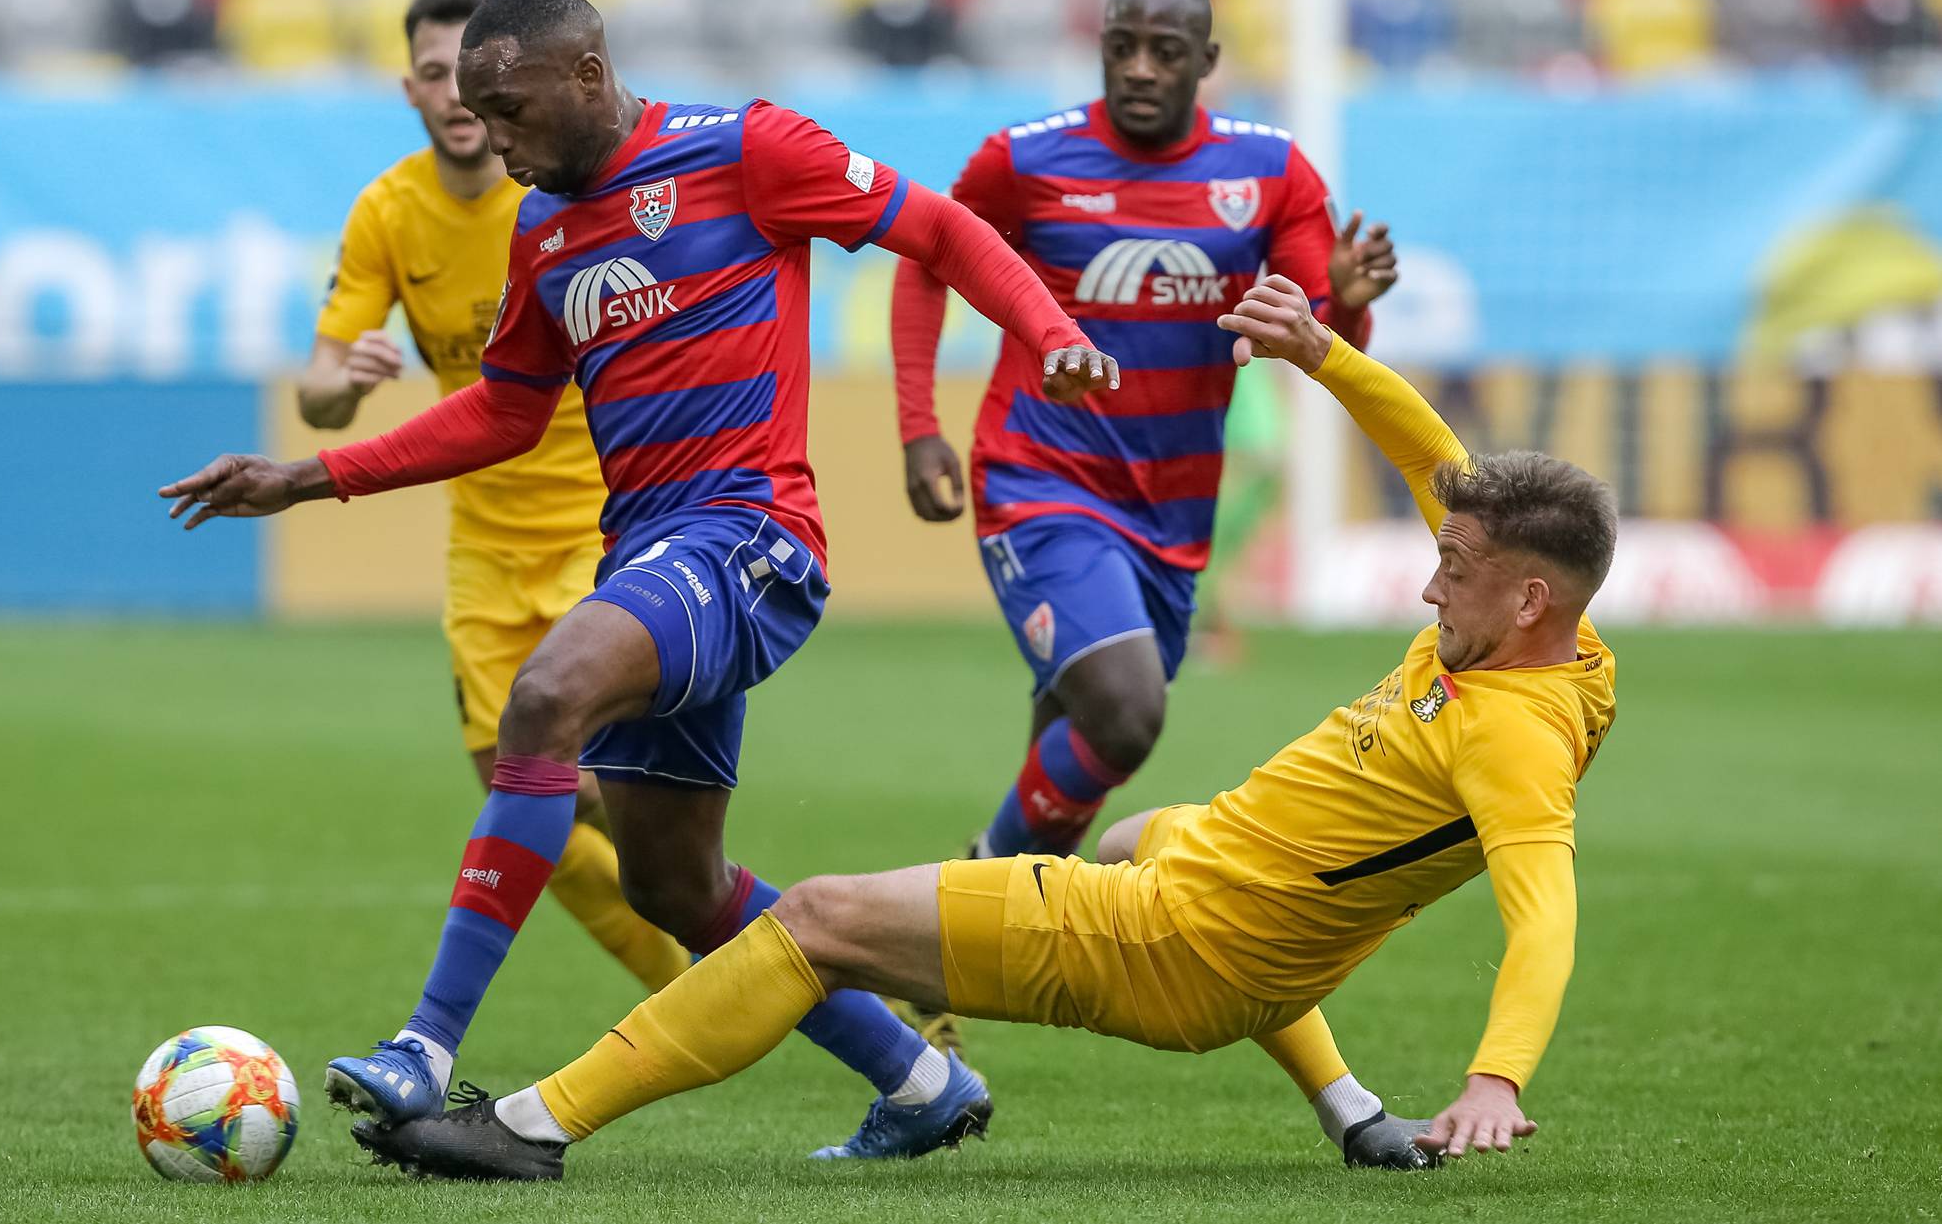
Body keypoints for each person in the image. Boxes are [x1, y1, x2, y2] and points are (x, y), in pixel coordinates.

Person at [344, 274, 1617, 1183]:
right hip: (1232, 902)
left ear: (1527, 597)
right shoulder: (1543, 632)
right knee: (1133, 827)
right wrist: (1324, 353)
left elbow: (1546, 912)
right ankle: (1352, 1110)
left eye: (1454, 569)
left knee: (815, 919)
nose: (1428, 584)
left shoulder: (1516, 734)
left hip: (1171, 940)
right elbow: (1437, 456)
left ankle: (532, 1124)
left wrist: (1496, 1075)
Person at [159, 0, 1120, 1160]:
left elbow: (939, 228)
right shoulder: (543, 231)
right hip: (656, 553)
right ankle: (918, 1077)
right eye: (479, 116)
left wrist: (1053, 332)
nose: (495, 142)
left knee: (546, 695)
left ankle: (424, 1047)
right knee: (675, 884)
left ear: (587, 74)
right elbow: (505, 412)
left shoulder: (748, 150)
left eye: (510, 111)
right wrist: (308, 477)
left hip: (751, 536)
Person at [890, 0, 1398, 868]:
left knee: (1078, 742)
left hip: (1172, 512)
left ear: (1206, 60)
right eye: (1121, 47)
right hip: (1040, 476)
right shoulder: (1025, 160)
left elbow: (1312, 332)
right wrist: (918, 424)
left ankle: (977, 915)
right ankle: (969, 882)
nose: (1139, 68)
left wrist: (1350, 310)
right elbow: (927, 255)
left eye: (1164, 51)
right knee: (1127, 712)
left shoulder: (1270, 171)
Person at [301, 0, 687, 1000]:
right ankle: (694, 978)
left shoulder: (554, 186)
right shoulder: (389, 213)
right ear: (413, 88)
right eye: (434, 75)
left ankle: (749, 950)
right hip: (482, 548)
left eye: (469, 78)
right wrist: (343, 384)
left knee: (583, 793)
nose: (456, 99)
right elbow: (318, 391)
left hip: (597, 531)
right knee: (532, 815)